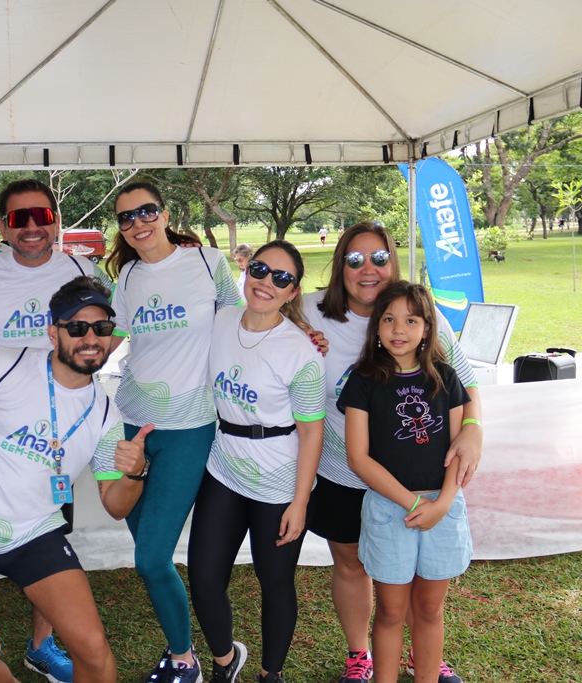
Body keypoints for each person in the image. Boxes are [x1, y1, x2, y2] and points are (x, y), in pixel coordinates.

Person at [0, 276, 145, 683]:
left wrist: (135, 474)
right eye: (77, 327)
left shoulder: (105, 414)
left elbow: (116, 506)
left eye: (101, 327)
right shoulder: (2, 366)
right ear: (53, 332)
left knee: (94, 653)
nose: (91, 338)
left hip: (36, 534)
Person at [302, 222, 481, 683]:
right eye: (355, 259)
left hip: (429, 485)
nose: (368, 268)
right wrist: (301, 333)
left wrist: (473, 430)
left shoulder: (425, 324)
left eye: (379, 258)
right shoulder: (309, 312)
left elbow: (466, 386)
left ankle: (422, 658)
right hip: (348, 473)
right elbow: (263, 311)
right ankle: (360, 656)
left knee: (424, 596)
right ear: (340, 265)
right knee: (355, 567)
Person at [0, 178, 110, 683]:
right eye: (19, 218)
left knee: (50, 532)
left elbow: (112, 326)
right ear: (3, 227)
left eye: (41, 215)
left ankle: (42, 645)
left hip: (58, 435)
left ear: (56, 221)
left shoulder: (83, 270)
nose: (32, 227)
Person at [106, 181, 242, 683]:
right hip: (132, 424)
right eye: (126, 217)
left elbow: (245, 319)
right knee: (151, 554)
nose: (138, 223)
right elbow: (111, 338)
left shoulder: (208, 262)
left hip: (190, 426)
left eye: (147, 211)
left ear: (164, 215)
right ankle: (190, 651)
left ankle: (186, 660)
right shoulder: (127, 277)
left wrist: (300, 332)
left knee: (150, 557)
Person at [189, 240, 325, 683]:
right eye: (261, 270)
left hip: (279, 480)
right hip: (225, 465)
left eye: (282, 278)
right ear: (247, 269)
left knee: (275, 581)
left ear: (293, 291)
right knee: (204, 577)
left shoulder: (302, 352)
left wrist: (300, 503)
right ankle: (225, 661)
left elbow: (312, 432)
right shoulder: (222, 320)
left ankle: (271, 674)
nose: (267, 282)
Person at [341, 281, 472, 683]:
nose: (399, 329)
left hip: (442, 509)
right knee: (392, 611)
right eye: (389, 319)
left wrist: (442, 503)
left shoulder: (446, 377)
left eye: (411, 320)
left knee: (430, 609)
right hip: (389, 509)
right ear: (376, 327)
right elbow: (358, 458)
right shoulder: (364, 379)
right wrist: (413, 504)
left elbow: (458, 450)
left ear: (428, 328)